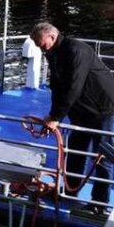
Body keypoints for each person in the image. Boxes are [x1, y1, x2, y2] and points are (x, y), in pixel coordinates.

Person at [30, 22, 114, 210]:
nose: (39, 48)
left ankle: (99, 204)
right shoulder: (53, 53)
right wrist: (52, 116)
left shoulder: (76, 51)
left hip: (104, 109)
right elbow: (57, 87)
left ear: (51, 36)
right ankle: (70, 192)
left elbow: (72, 87)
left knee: (102, 157)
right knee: (75, 152)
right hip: (82, 110)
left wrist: (56, 117)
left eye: (41, 44)